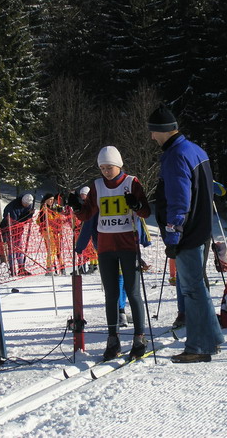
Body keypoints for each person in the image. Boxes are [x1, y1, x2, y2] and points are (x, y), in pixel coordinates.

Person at [148, 103, 224, 363]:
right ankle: (213, 337)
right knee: (198, 287)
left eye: (153, 131)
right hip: (201, 228)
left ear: (163, 130)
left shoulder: (176, 155)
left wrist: (173, 235)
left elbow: (180, 200)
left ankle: (199, 346)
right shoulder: (195, 150)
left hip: (188, 233)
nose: (152, 137)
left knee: (192, 290)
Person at [67, 145, 151, 361]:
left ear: (118, 165)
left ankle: (139, 337)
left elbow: (145, 211)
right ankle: (113, 339)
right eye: (102, 168)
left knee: (132, 292)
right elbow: (87, 215)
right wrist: (77, 206)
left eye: (109, 167)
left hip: (127, 245)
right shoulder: (97, 186)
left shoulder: (131, 182)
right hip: (105, 247)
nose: (106, 172)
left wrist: (136, 204)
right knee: (111, 294)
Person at [0, 193, 35, 277]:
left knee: (19, 248)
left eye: (28, 205)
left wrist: (29, 215)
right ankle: (12, 269)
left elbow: (24, 216)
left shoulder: (29, 205)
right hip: (8, 228)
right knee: (12, 249)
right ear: (22, 201)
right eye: (25, 204)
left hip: (19, 230)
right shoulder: (12, 208)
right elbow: (14, 221)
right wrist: (26, 219)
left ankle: (21, 268)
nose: (26, 206)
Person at [37, 193, 66, 276]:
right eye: (50, 199)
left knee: (58, 250)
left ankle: (61, 266)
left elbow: (59, 218)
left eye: (52, 200)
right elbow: (40, 221)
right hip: (48, 232)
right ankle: (49, 268)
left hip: (56, 232)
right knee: (52, 249)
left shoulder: (53, 208)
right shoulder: (44, 209)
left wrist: (60, 214)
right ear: (45, 200)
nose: (51, 201)